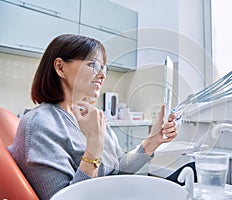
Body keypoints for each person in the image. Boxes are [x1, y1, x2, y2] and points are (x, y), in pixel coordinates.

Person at [8, 34, 177, 199]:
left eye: (104, 68)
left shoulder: (91, 116)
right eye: (93, 65)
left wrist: (152, 141)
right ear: (60, 67)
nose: (103, 75)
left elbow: (118, 169)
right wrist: (94, 146)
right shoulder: (40, 124)